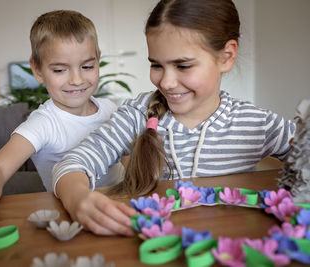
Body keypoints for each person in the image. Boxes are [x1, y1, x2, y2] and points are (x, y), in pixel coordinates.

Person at [52, 0, 296, 236]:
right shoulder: (137, 115)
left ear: (226, 56)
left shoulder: (255, 123)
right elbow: (72, 163)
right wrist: (77, 197)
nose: (166, 83)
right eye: (156, 65)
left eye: (183, 66)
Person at [0, 10, 125, 225]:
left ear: (98, 60)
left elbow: (129, 156)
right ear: (37, 70)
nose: (77, 79)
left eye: (87, 66)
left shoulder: (110, 109)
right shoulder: (43, 123)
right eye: (59, 70)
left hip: (123, 207)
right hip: (74, 219)